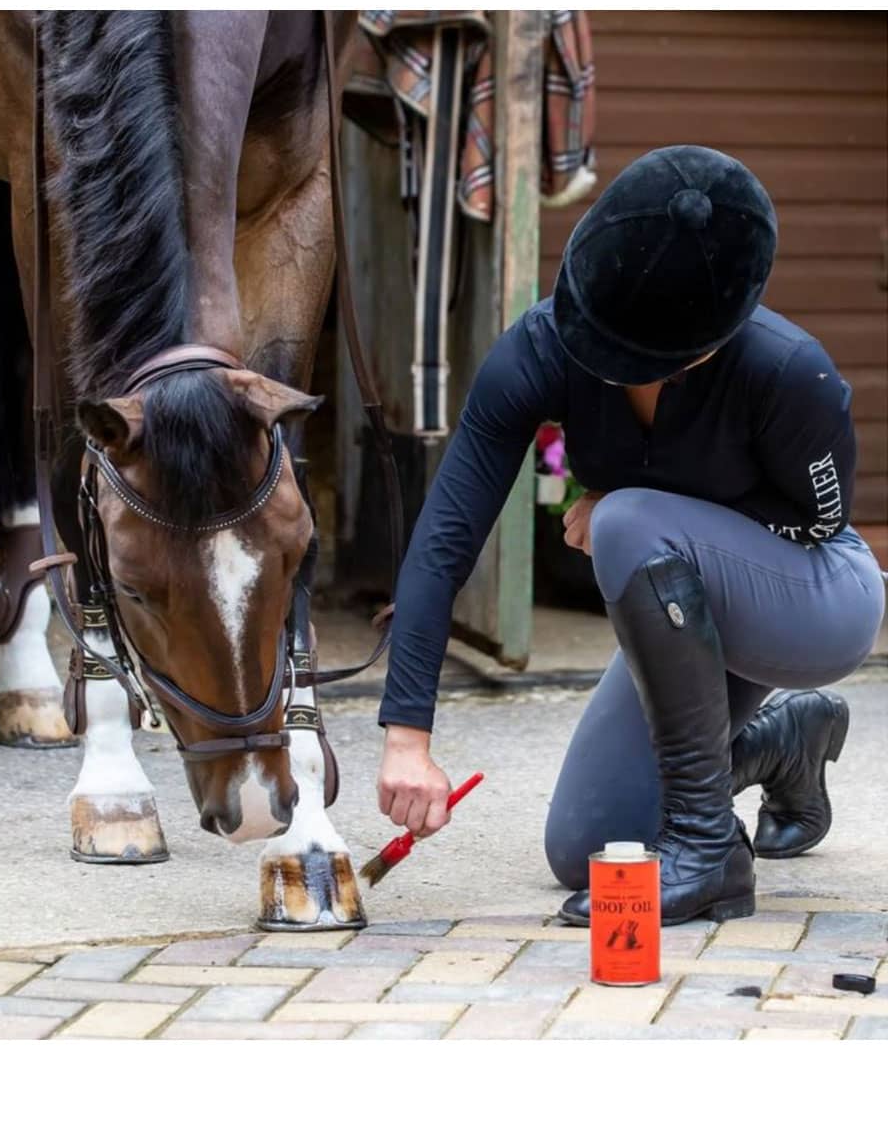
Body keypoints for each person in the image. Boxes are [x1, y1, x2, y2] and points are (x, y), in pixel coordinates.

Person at [374, 145, 885, 927]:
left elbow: (819, 525)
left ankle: (707, 847)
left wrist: (638, 501)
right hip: (689, 611)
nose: (607, 368)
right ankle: (783, 742)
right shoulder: (541, 348)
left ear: (711, 342)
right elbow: (447, 534)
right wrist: (406, 737)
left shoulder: (789, 373)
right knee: (585, 844)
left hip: (818, 601)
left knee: (625, 519)